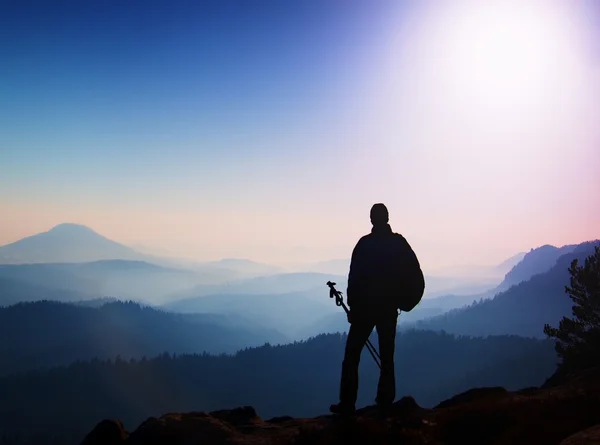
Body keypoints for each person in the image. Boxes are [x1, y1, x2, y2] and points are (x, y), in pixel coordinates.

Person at [329, 203, 420, 415]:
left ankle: (347, 404)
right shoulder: (398, 243)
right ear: (387, 217)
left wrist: (352, 308)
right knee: (387, 356)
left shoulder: (364, 245)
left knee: (352, 356)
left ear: (372, 219)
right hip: (388, 309)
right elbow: (413, 273)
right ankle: (385, 401)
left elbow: (354, 278)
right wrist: (405, 301)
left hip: (365, 310)